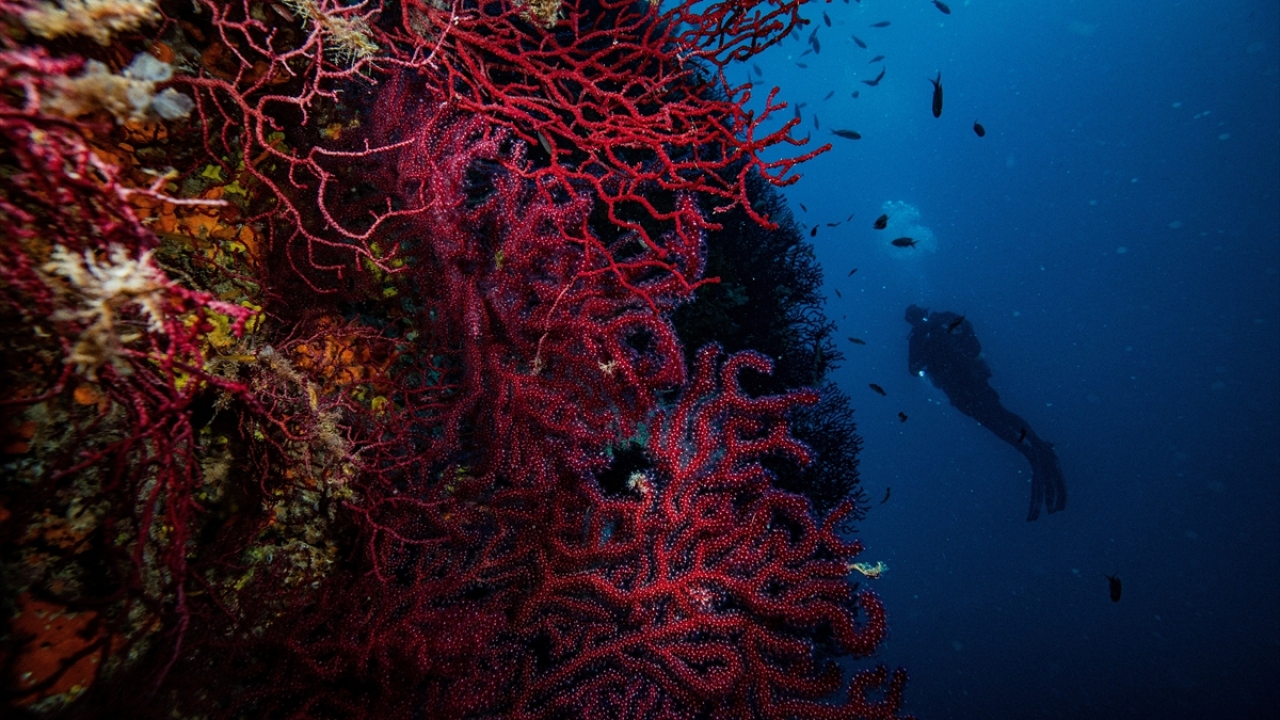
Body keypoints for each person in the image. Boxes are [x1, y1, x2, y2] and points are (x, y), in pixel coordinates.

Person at [905, 304, 1067, 521]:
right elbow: (967, 343)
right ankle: (1035, 448)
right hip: (970, 382)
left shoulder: (923, 335)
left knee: (994, 419)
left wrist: (931, 359)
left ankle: (1033, 450)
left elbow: (914, 369)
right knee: (998, 416)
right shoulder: (942, 322)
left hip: (962, 387)